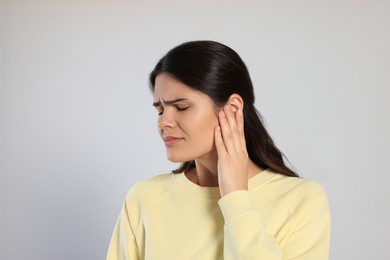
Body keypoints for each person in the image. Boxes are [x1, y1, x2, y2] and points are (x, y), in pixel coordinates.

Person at [106, 41, 331, 260]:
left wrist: (235, 196)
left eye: (181, 107)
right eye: (160, 110)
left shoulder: (302, 200)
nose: (164, 122)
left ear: (232, 108)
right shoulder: (145, 198)